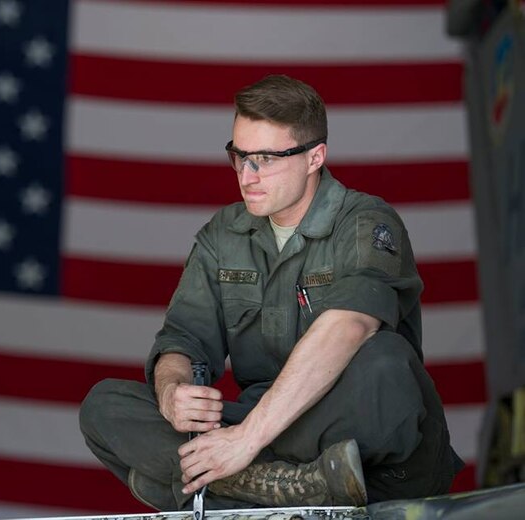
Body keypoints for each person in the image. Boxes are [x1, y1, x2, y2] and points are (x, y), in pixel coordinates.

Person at [79, 74, 464, 511]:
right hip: (266, 438)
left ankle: (225, 489)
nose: (247, 176)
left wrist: (245, 440)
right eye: (239, 156)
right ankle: (271, 485)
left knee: (386, 362)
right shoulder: (224, 235)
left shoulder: (365, 221)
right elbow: (183, 339)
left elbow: (350, 326)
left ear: (315, 157)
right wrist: (173, 390)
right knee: (105, 406)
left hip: (354, 444)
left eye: (265, 159)